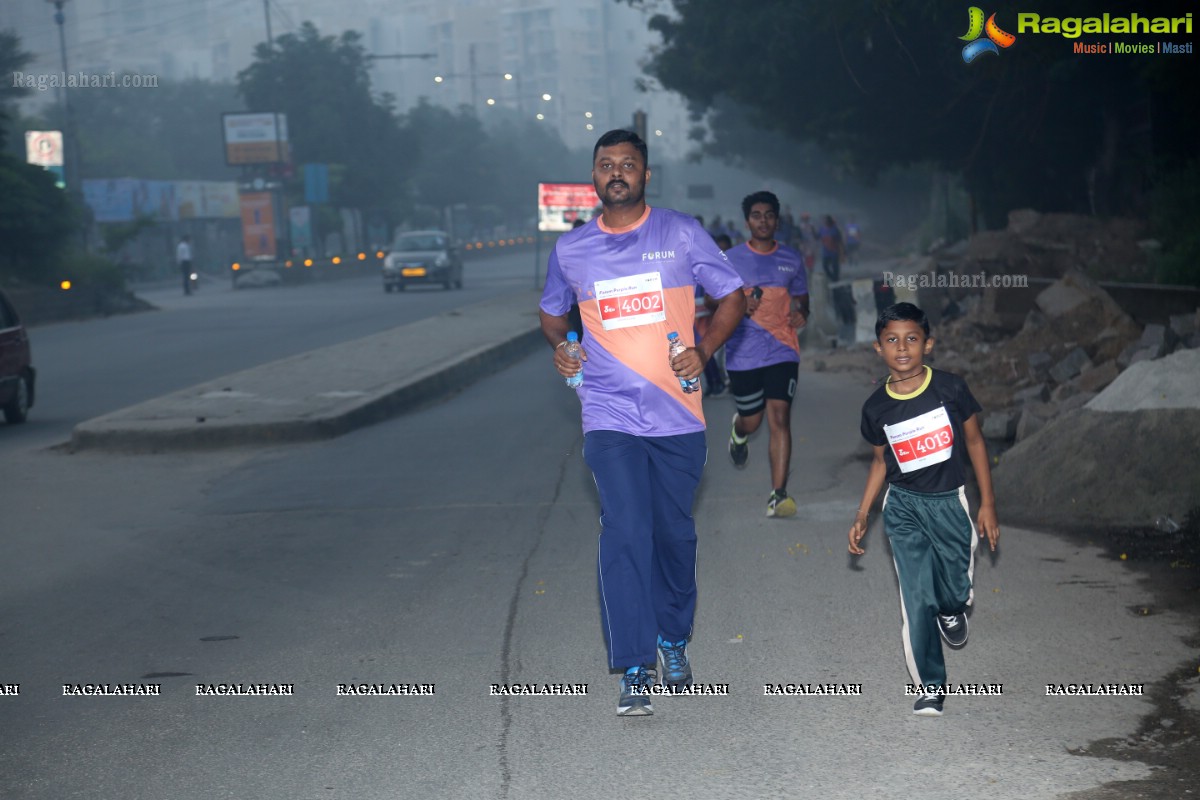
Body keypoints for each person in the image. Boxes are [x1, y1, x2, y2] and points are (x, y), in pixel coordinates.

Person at [539, 130, 746, 717]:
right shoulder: (572, 250)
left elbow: (731, 295)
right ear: (594, 176)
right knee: (625, 530)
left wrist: (704, 351)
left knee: (673, 536)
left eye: (628, 164)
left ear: (646, 174)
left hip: (677, 414)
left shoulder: (679, 232)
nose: (617, 173)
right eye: (606, 165)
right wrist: (567, 346)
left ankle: (673, 639)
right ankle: (635, 664)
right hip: (607, 415)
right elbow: (554, 316)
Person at [848, 302, 1000, 717]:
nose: (902, 348)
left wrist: (987, 503)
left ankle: (952, 609)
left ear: (928, 344)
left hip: (950, 502)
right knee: (916, 597)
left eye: (911, 339)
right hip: (903, 508)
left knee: (952, 588)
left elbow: (974, 443)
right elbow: (880, 462)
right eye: (892, 340)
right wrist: (864, 513)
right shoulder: (876, 408)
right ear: (879, 348)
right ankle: (930, 685)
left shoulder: (950, 389)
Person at [723, 191, 809, 518]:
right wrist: (739, 304)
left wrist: (803, 314)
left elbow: (803, 300)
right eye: (756, 215)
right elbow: (713, 302)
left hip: (782, 348)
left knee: (779, 417)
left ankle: (779, 495)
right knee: (753, 420)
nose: (763, 220)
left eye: (769, 215)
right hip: (742, 352)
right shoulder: (730, 260)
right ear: (747, 222)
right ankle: (738, 432)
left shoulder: (791, 259)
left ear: (777, 220)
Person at [818, 214, 843, 282]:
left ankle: (836, 278)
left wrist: (841, 250)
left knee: (835, 266)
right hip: (826, 251)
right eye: (824, 221)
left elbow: (839, 239)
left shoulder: (834, 229)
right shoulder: (822, 229)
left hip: (834, 250)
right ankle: (831, 276)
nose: (825, 222)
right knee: (825, 266)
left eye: (826, 221)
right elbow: (817, 237)